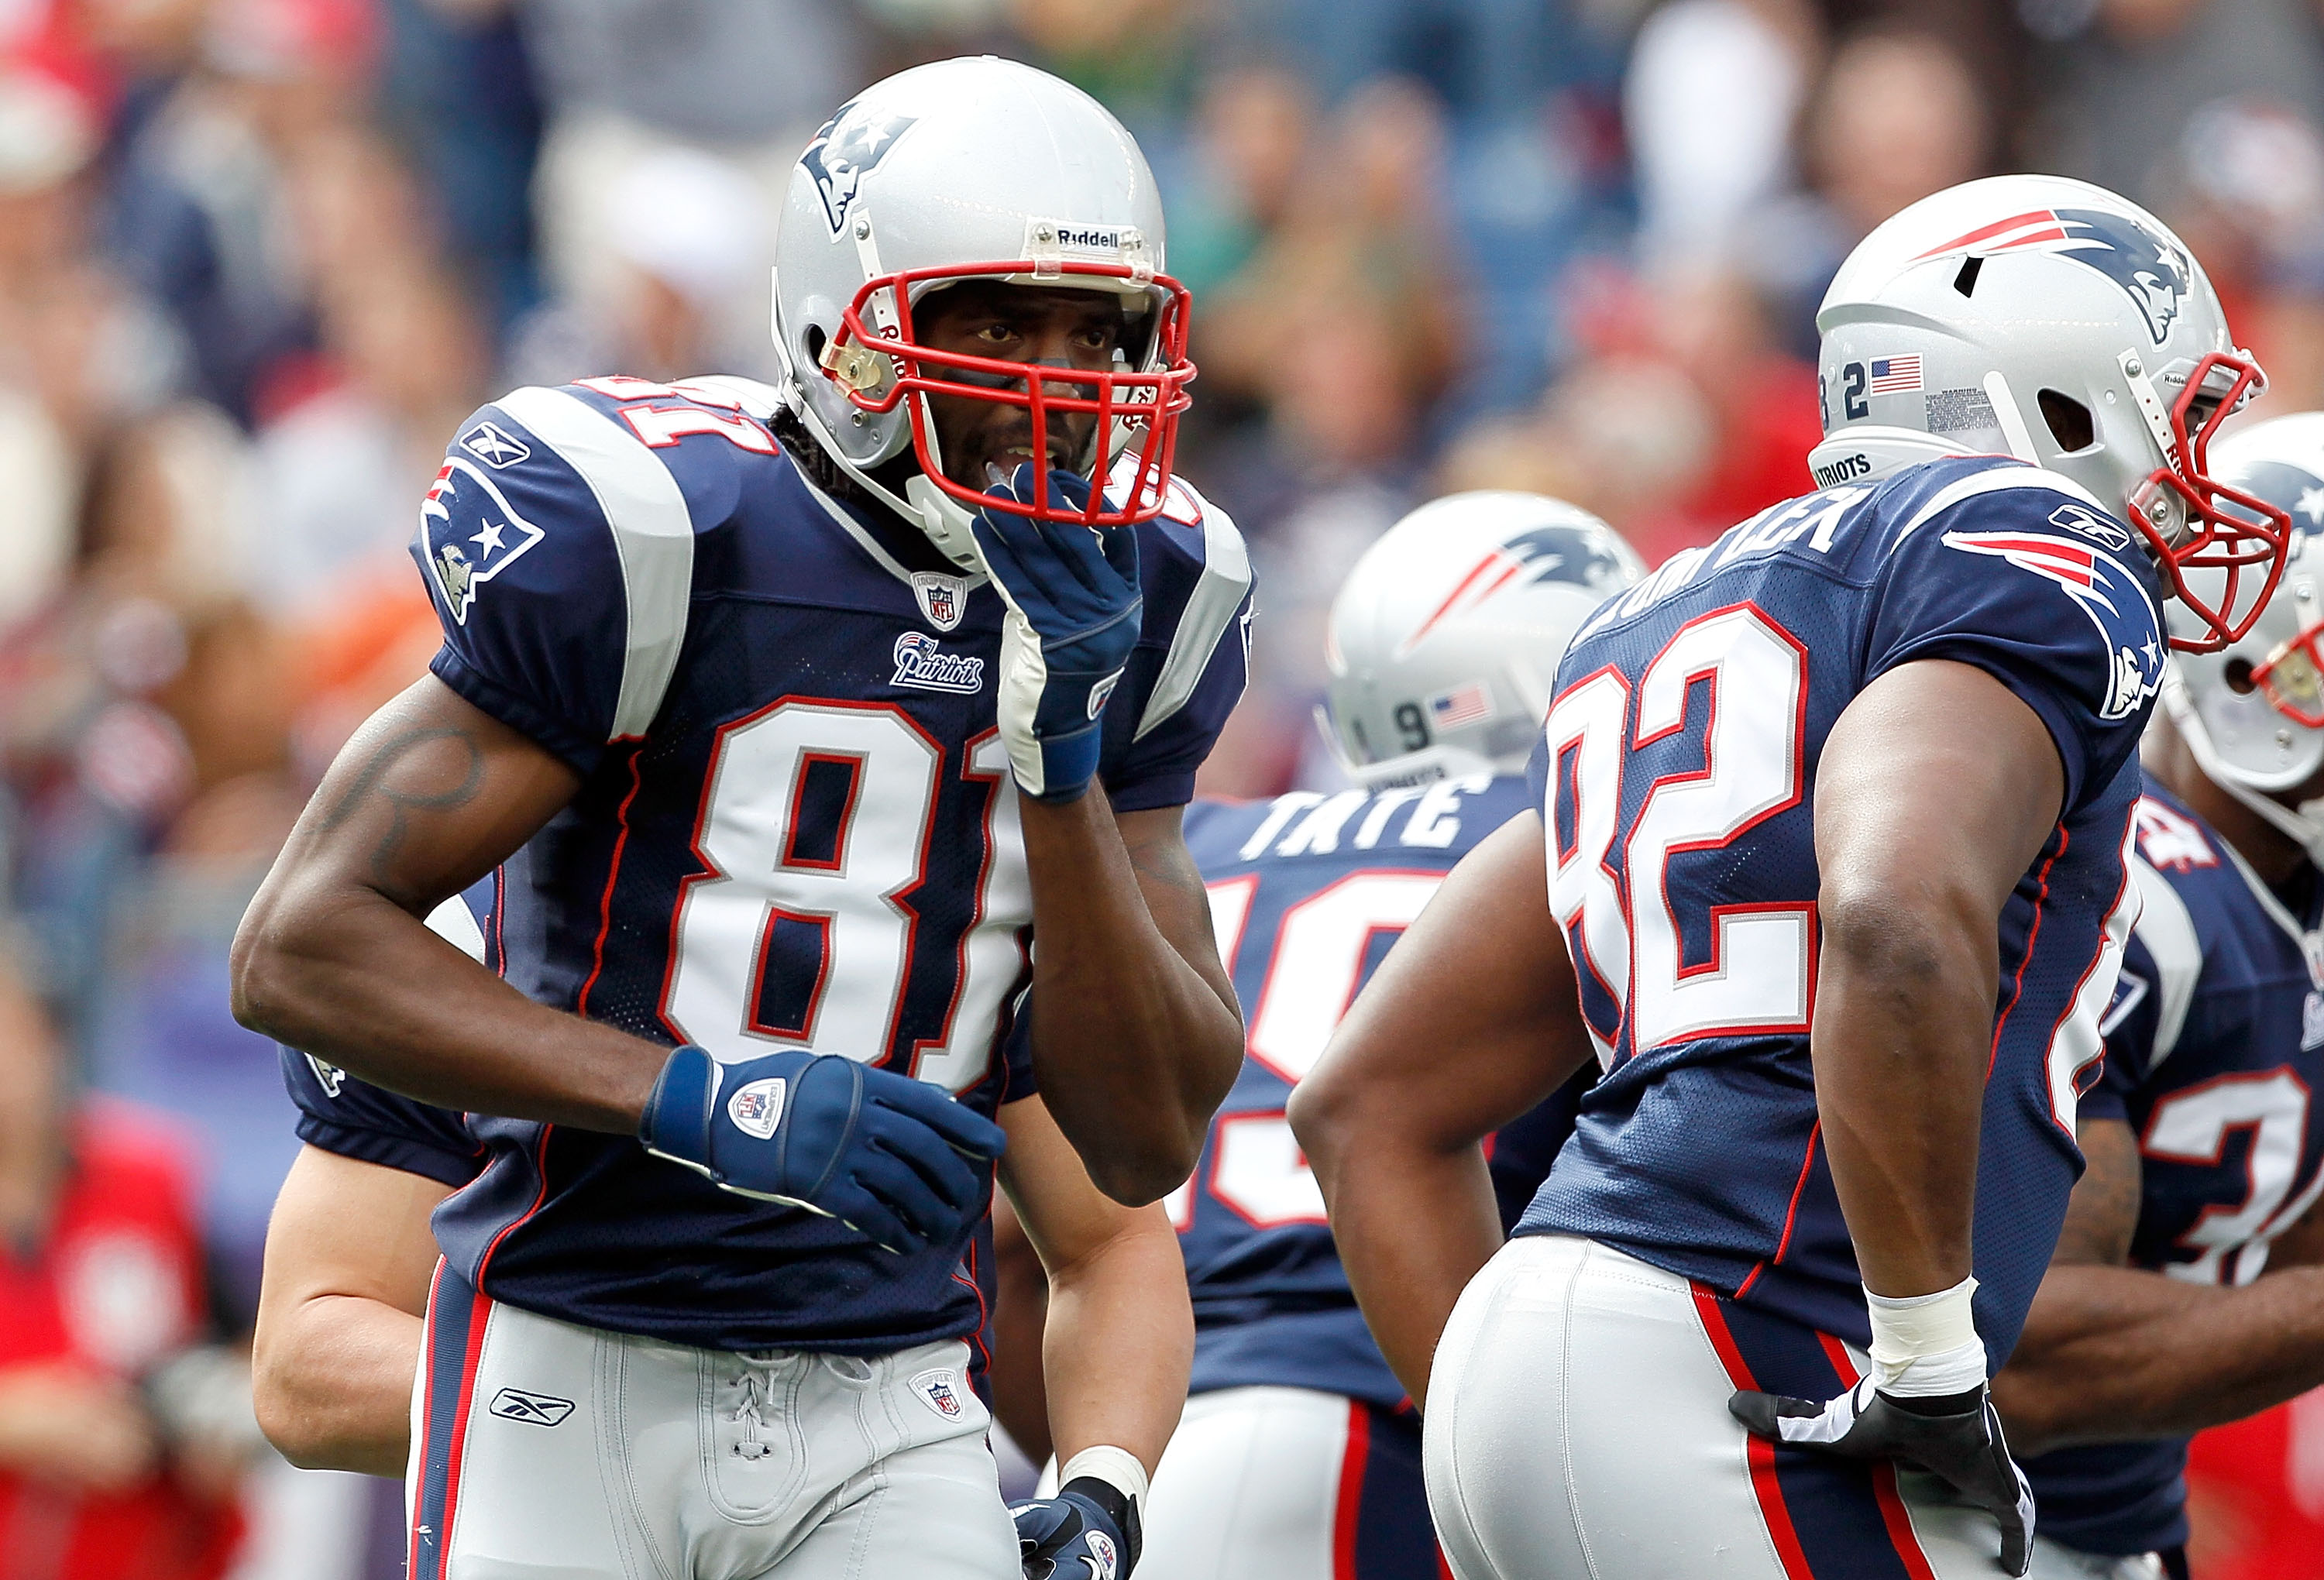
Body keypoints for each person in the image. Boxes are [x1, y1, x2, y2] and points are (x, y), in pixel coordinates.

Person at [230, 57, 1253, 1580]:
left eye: (1096, 331)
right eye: (996, 322)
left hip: (897, 1397)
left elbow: (1141, 1148)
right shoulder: (658, 535)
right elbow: (296, 949)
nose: (1059, 381)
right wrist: (695, 1098)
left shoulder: (1155, 593)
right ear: (847, 331)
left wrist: (1057, 762)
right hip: (573, 1370)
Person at [1290, 173, 2292, 1580]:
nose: (2199, 473)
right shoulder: (2028, 547)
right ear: (2058, 400)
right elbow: (1890, 912)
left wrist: (1540, 1410)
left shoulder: (1666, 599)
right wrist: (1934, 1364)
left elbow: (1366, 1103)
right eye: (2183, 412)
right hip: (1760, 1358)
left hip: (1527, 1358)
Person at [984, 493, 1643, 1577]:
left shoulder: (1198, 846)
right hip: (1379, 1433)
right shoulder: (1577, 842)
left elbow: (1023, 1250)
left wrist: (1101, 1460)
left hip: (1132, 1444)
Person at [1993, 413, 2324, 1580]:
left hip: (2112, 1525)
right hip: (1954, 1526)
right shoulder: (2129, 897)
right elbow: (2017, 1357)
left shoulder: (2282, 903)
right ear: (2263, 669)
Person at [0, 941, 258, 1580]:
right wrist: (19, 1420)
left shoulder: (152, 1175)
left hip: (154, 1548)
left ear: (54, 1042)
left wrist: (213, 1428)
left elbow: (240, 1339)